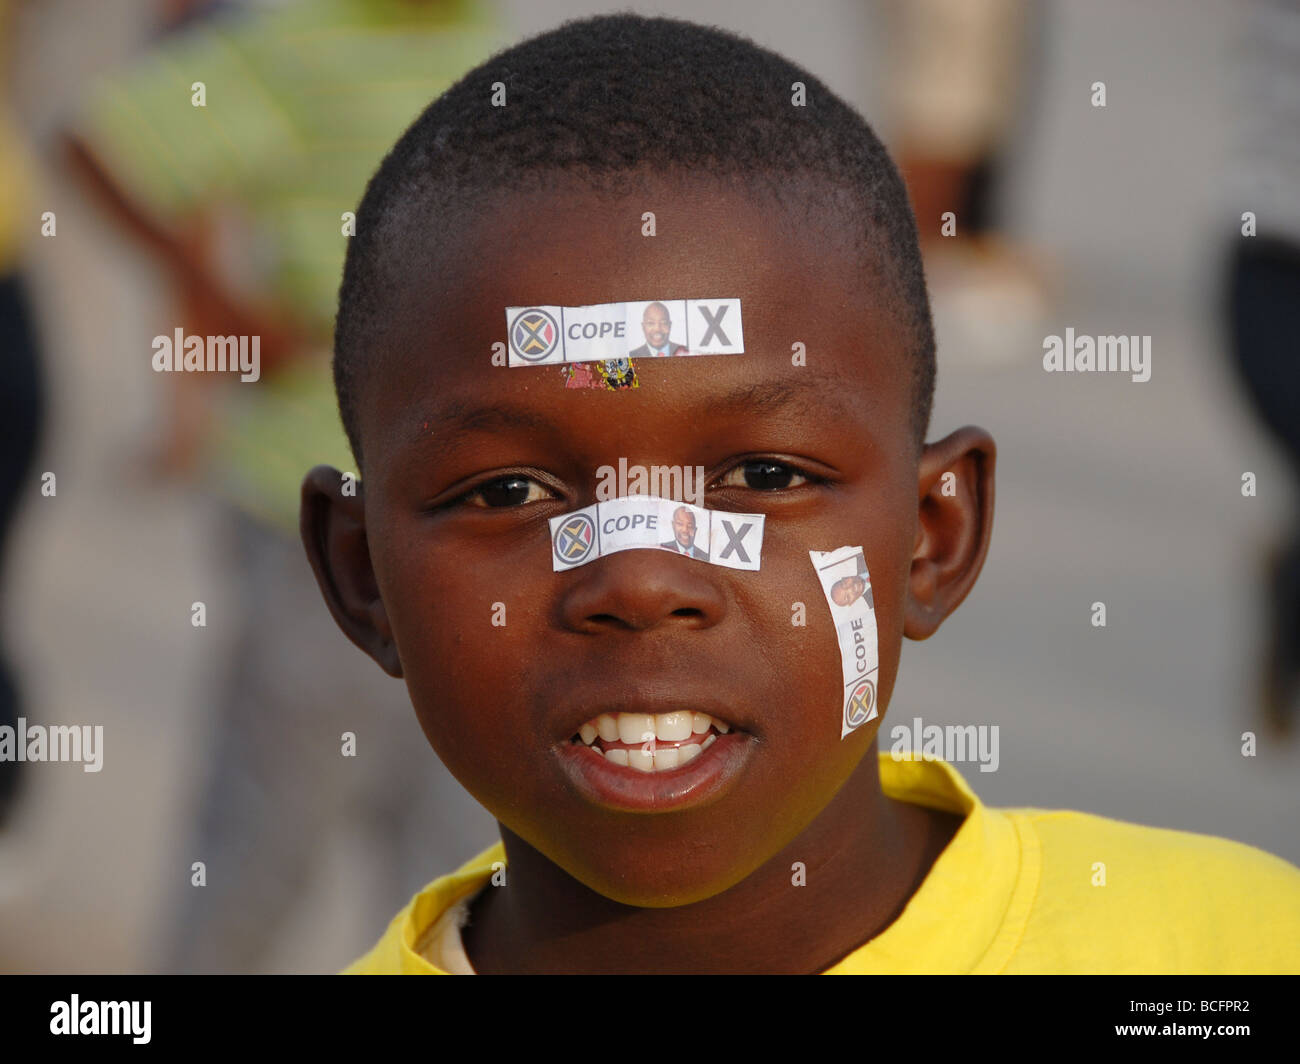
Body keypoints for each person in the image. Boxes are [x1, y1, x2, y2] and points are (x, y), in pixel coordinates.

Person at [300, 14, 1300, 974]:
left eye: (763, 477)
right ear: (360, 577)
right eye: (509, 489)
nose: (640, 577)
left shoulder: (1239, 945)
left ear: (932, 538)